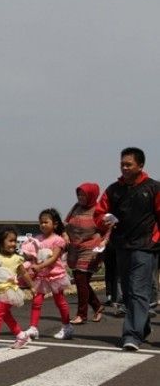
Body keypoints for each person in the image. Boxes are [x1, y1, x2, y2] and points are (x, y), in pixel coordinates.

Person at [94, 147, 159, 351]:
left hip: (146, 247)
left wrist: (156, 239)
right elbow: (99, 213)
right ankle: (143, 325)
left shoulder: (154, 188)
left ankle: (131, 335)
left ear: (140, 166)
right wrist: (105, 221)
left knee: (139, 290)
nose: (124, 167)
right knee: (129, 292)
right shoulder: (113, 190)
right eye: (122, 164)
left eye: (128, 164)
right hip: (121, 246)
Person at [24, 208, 73, 341]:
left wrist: (39, 266)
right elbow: (33, 255)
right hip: (41, 276)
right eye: (41, 222)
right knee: (37, 301)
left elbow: (54, 258)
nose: (43, 225)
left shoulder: (58, 240)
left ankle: (67, 326)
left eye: (46, 222)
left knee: (60, 301)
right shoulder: (37, 239)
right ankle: (33, 328)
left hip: (55, 275)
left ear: (55, 224)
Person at [63, 183, 106, 324]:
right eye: (79, 195)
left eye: (84, 195)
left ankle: (82, 315)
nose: (81, 198)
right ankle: (97, 306)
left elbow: (108, 229)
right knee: (82, 282)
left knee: (81, 279)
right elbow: (66, 224)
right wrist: (65, 235)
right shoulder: (76, 208)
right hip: (75, 248)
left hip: (90, 249)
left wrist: (103, 243)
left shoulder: (98, 210)